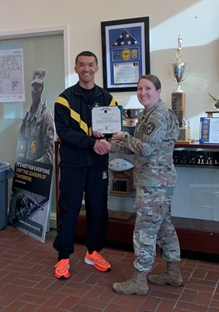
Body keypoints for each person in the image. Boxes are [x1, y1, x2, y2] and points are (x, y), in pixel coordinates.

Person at [108, 74, 182, 295]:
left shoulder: (158, 115)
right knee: (163, 228)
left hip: (155, 185)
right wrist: (107, 142)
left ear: (158, 91)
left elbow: (146, 148)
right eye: (140, 89)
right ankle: (173, 272)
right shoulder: (147, 115)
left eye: (148, 88)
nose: (143, 93)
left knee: (145, 232)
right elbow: (136, 145)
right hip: (155, 183)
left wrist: (123, 136)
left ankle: (139, 281)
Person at [53, 51, 117, 279]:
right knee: (69, 209)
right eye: (81, 65)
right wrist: (93, 142)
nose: (86, 68)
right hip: (73, 164)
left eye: (90, 64)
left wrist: (105, 139)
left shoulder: (108, 99)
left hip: (98, 163)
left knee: (98, 208)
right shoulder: (63, 99)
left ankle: (92, 252)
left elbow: (112, 130)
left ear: (97, 68)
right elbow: (65, 133)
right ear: (75, 68)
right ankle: (63, 257)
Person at [19, 68, 54, 164]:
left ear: (42, 88)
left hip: (40, 174)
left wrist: (32, 167)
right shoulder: (27, 117)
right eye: (33, 86)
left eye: (38, 87)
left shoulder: (46, 116)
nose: (35, 90)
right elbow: (21, 148)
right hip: (26, 173)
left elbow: (49, 157)